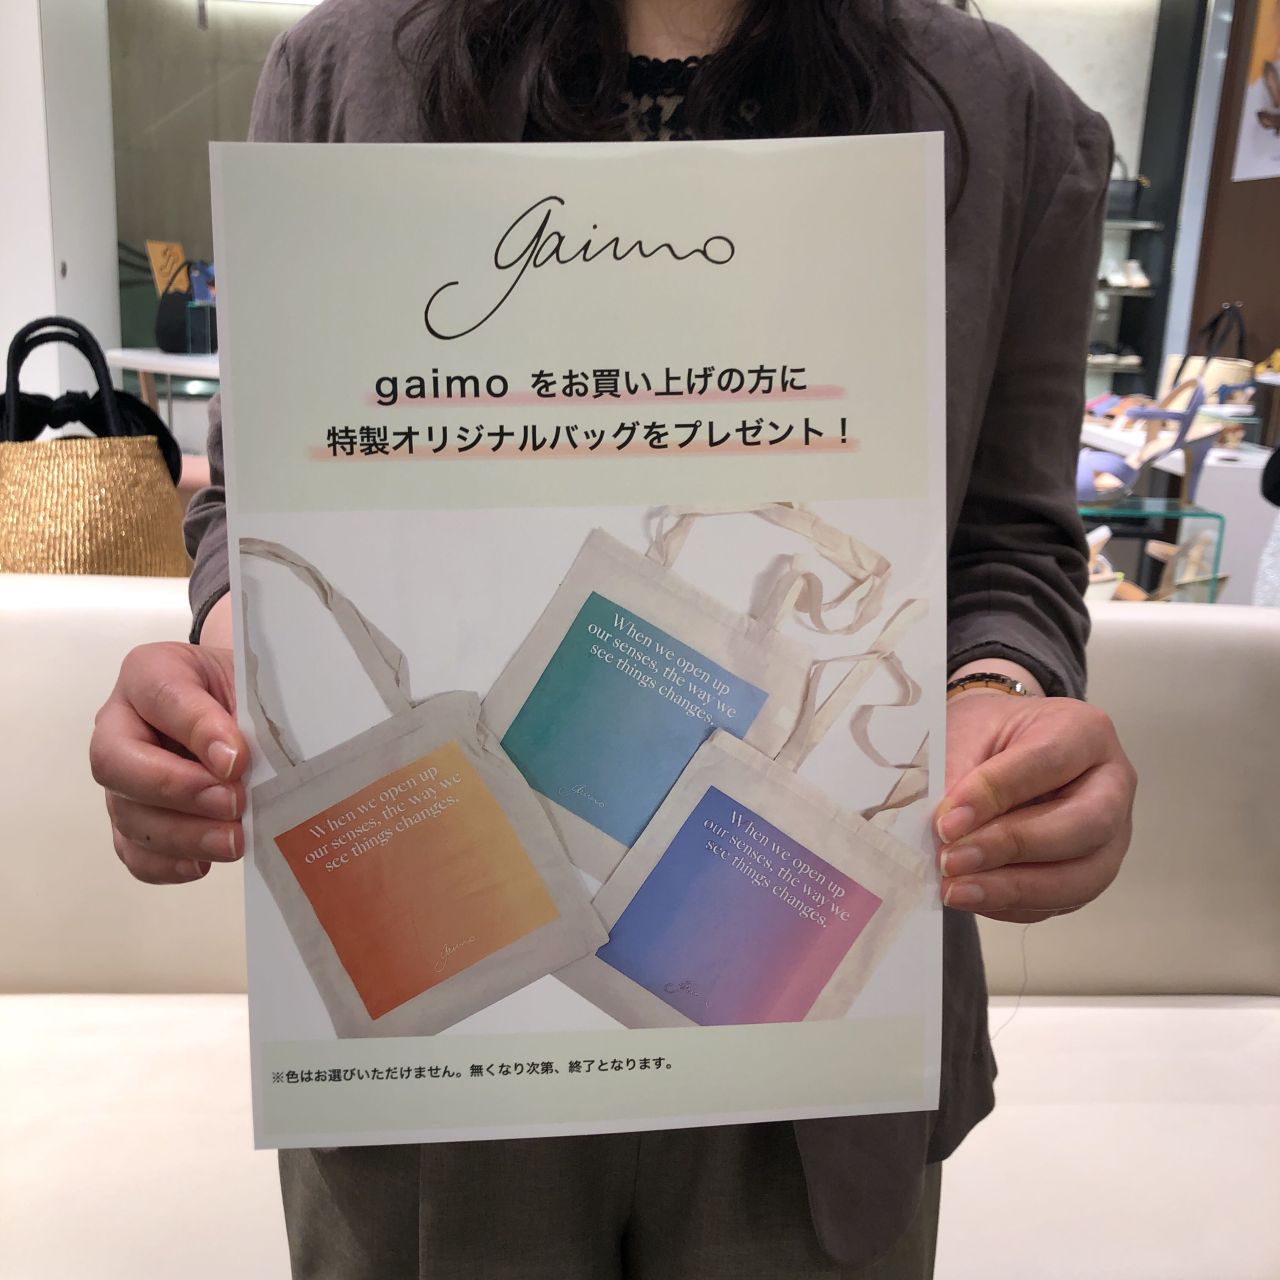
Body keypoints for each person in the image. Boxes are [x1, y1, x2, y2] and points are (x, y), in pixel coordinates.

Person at [88, 1, 1138, 1275]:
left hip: (802, 1044)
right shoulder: (341, 74)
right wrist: (227, 679)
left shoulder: (994, 109)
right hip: (437, 1054)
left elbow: (1009, 537)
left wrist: (996, 696)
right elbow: (257, 504)